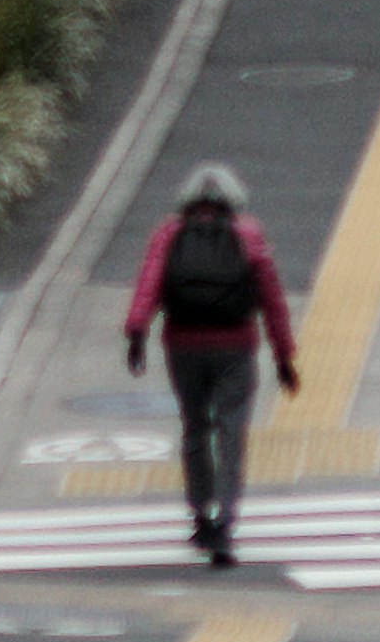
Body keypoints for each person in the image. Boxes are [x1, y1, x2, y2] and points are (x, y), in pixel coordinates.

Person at [123, 161, 299, 566]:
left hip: (183, 346)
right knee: (232, 431)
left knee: (195, 426)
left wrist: (137, 332)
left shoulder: (168, 233)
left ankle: (201, 514)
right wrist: (283, 355)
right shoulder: (248, 233)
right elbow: (271, 297)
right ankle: (226, 522)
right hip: (235, 347)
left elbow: (149, 282)